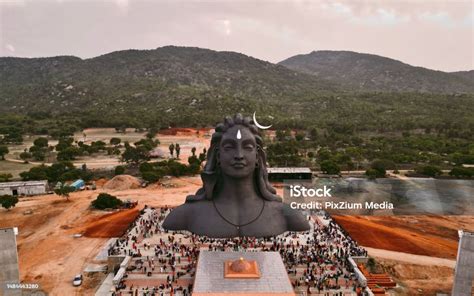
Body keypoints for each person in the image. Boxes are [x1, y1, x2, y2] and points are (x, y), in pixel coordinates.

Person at [163, 114, 309, 238]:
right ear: (218, 156)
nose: (239, 155)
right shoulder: (185, 215)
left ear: (258, 157)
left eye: (247, 147)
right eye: (229, 147)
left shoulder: (288, 217)